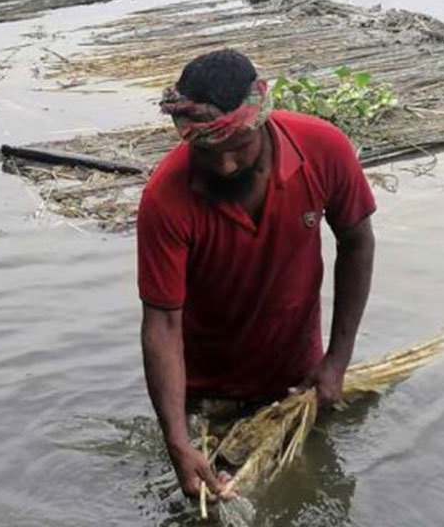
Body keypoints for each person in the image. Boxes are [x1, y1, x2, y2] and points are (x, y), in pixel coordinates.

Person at [137, 49, 376, 500]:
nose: (225, 165)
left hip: (298, 377)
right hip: (205, 391)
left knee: (307, 491)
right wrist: (178, 441)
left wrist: (337, 361)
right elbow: (162, 323)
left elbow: (357, 241)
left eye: (237, 149)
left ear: (261, 119)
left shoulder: (323, 149)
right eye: (209, 152)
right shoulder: (164, 200)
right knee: (209, 502)